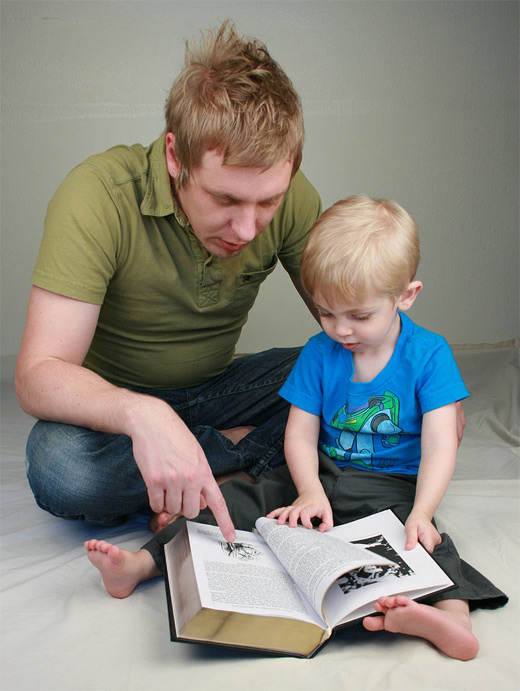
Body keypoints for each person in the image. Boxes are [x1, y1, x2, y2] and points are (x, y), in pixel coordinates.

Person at [85, 196, 507, 660]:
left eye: (359, 316)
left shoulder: (428, 354)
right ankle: (140, 565)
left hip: (390, 485)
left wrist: (422, 511)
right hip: (319, 471)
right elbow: (300, 433)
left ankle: (452, 620)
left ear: (406, 296)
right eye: (326, 313)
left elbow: (441, 444)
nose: (340, 330)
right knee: (237, 502)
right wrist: (308, 491)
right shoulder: (319, 352)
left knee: (427, 542)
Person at [15, 21, 322, 541]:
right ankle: (243, 463)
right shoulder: (98, 196)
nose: (248, 229)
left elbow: (365, 324)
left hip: (224, 390)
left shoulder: (294, 198)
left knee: (347, 372)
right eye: (225, 200)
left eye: (267, 201)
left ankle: (212, 457)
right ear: (176, 156)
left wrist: (430, 385)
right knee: (60, 468)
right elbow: (37, 374)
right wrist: (142, 413)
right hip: (112, 410)